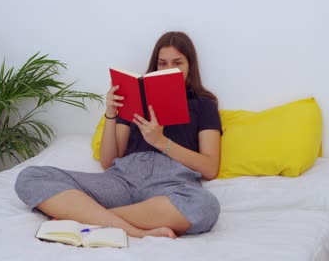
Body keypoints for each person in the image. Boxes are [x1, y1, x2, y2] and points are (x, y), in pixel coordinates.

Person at [15, 31, 222, 239]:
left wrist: (161, 142)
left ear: (190, 66)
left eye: (177, 63)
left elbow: (210, 168)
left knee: (206, 206)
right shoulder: (136, 97)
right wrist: (111, 114)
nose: (169, 70)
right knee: (29, 177)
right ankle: (137, 231)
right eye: (162, 63)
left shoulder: (203, 104)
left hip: (171, 183)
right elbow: (108, 162)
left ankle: (86, 218)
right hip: (122, 180)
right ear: (155, 65)